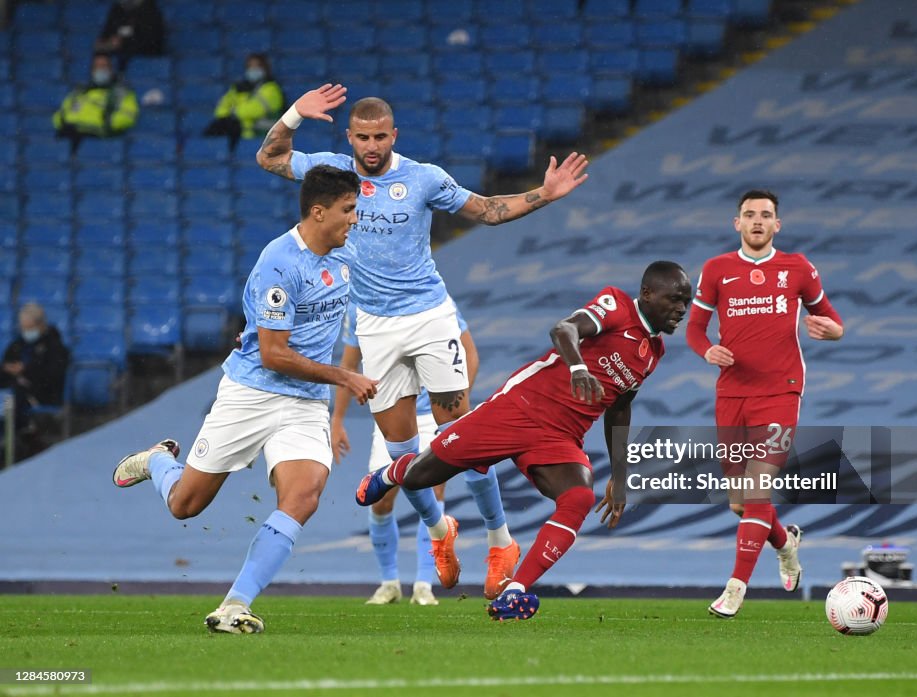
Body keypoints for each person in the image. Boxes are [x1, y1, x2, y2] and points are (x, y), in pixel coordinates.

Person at [256, 85, 589, 591]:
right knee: (400, 456)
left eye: (380, 137)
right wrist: (295, 114)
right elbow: (271, 156)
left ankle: (501, 541)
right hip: (374, 326)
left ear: (395, 135)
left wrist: (544, 194)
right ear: (349, 137)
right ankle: (440, 527)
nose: (371, 146)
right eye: (363, 137)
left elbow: (486, 210)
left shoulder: (423, 178)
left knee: (467, 435)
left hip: (431, 317)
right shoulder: (331, 173)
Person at [111, 165, 377, 634]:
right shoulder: (278, 263)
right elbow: (273, 354)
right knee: (185, 505)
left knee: (304, 495)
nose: (355, 218)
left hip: (304, 402)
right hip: (251, 393)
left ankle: (236, 604)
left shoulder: (346, 253)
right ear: (319, 212)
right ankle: (155, 462)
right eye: (348, 209)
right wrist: (344, 376)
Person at [356, 261, 692, 620]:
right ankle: (391, 474)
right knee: (422, 476)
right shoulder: (616, 305)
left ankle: (515, 592)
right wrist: (578, 368)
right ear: (647, 294)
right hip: (518, 409)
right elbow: (563, 330)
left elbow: (620, 409)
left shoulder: (653, 353)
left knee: (578, 497)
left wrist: (621, 475)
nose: (681, 310)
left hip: (559, 439)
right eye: (674, 299)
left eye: (686, 302)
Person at [686, 189, 844, 618]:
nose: (757, 221)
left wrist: (829, 331)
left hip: (780, 390)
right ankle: (785, 542)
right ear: (736, 223)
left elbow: (834, 322)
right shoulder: (717, 269)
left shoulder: (797, 268)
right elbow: (695, 330)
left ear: (778, 225)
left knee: (756, 493)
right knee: (740, 502)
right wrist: (707, 352)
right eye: (749, 214)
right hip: (732, 392)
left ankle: (735, 588)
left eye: (766, 215)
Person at [332, 305, 518, 605]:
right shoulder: (361, 307)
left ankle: (423, 583)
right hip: (392, 414)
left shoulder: (433, 299)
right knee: (381, 501)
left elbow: (469, 354)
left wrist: (451, 401)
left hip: (432, 415)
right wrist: (337, 419)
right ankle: (389, 582)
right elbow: (350, 365)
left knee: (433, 486)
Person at [0, 303, 70, 458]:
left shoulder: (54, 347)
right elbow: (5, 366)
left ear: (40, 325)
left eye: (29, 327)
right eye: (23, 328)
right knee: (11, 396)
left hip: (43, 393)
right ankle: (19, 437)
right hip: (16, 390)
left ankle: (14, 443)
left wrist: (26, 369)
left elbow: (54, 375)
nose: (26, 332)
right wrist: (8, 369)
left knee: (14, 399)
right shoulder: (17, 345)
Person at [53, 53, 138, 152]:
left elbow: (128, 115)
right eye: (96, 67)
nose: (100, 70)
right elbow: (61, 113)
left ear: (111, 69)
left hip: (98, 138)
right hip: (71, 133)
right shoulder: (79, 91)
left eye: (103, 66)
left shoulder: (121, 92)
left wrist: (106, 125)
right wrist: (63, 123)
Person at [203, 54, 285, 150]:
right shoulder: (238, 87)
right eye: (250, 66)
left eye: (257, 66)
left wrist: (233, 111)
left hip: (261, 136)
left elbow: (255, 110)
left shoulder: (272, 89)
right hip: (237, 133)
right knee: (214, 130)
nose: (253, 69)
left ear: (265, 68)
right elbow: (220, 110)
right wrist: (236, 113)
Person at [95, 0, 165, 67]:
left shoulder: (150, 9)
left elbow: (152, 40)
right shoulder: (117, 9)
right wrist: (106, 43)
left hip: (143, 57)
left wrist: (123, 42)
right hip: (118, 55)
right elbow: (106, 33)